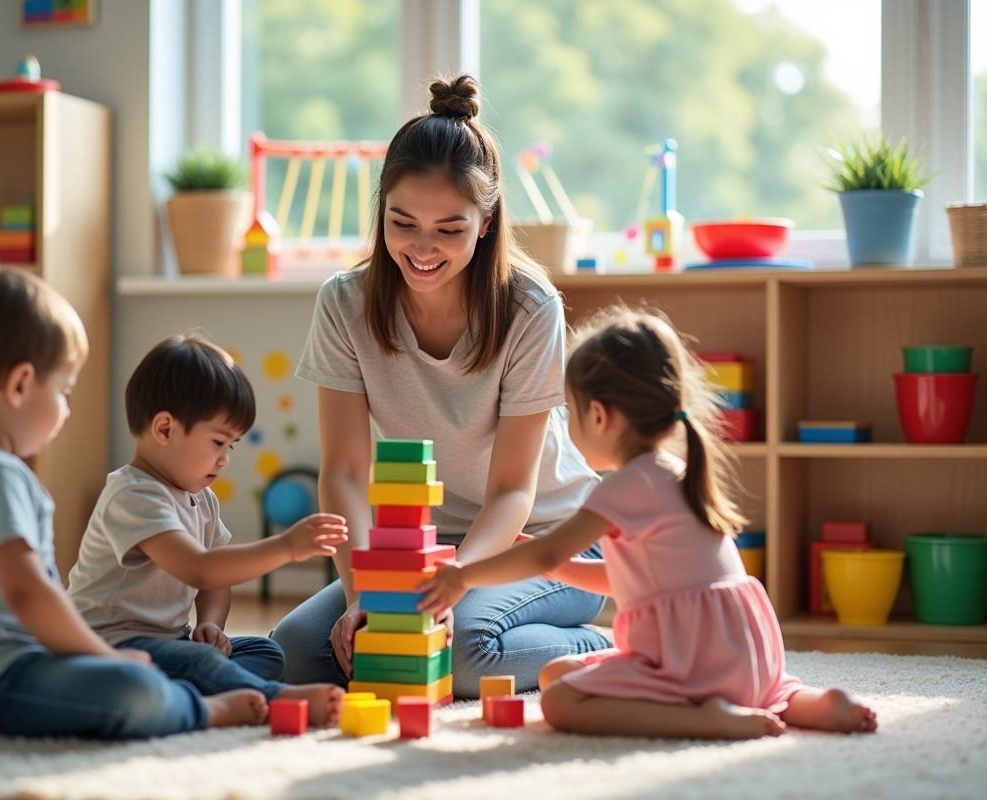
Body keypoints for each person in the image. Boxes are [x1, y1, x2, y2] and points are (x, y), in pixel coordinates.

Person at [270, 74, 611, 697]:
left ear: (486, 223)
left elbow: (513, 491)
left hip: (547, 539)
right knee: (299, 653)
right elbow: (344, 471)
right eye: (403, 223)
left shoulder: (531, 308)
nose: (422, 248)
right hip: (425, 544)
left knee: (463, 657)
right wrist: (366, 596)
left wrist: (452, 587)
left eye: (449, 229)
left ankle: (605, 649)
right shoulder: (344, 303)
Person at [419, 305, 878, 739]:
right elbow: (629, 580)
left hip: (689, 662)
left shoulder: (624, 486)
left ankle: (704, 719)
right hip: (746, 656)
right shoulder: (677, 475)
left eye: (570, 415)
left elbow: (546, 550)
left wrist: (465, 576)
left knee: (559, 699)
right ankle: (811, 703)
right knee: (558, 671)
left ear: (599, 416)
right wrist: (558, 569)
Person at [0, 269, 272, 738]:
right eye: (64, 391)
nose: (67, 409)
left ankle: (199, 690)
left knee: (254, 653)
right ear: (20, 385)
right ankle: (214, 710)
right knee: (133, 687)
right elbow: (29, 593)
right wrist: (105, 657)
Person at [67, 334, 348, 728]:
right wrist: (285, 546)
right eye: (218, 442)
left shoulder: (202, 499)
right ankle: (276, 700)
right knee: (200, 662)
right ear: (164, 429)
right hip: (109, 648)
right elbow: (199, 568)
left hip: (171, 645)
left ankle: (180, 695)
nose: (224, 460)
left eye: (231, 446)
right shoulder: (132, 495)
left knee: (266, 652)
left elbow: (215, 584)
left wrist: (211, 624)